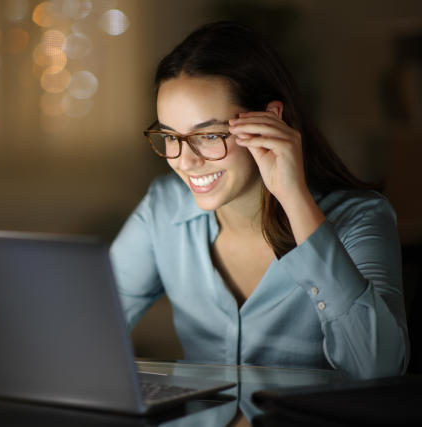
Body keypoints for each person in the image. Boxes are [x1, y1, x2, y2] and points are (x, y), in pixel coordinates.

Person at [110, 21, 409, 379]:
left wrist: (294, 197)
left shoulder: (361, 217)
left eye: (209, 135)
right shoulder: (164, 208)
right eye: (170, 136)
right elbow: (87, 323)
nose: (185, 161)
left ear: (269, 121)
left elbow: (379, 369)